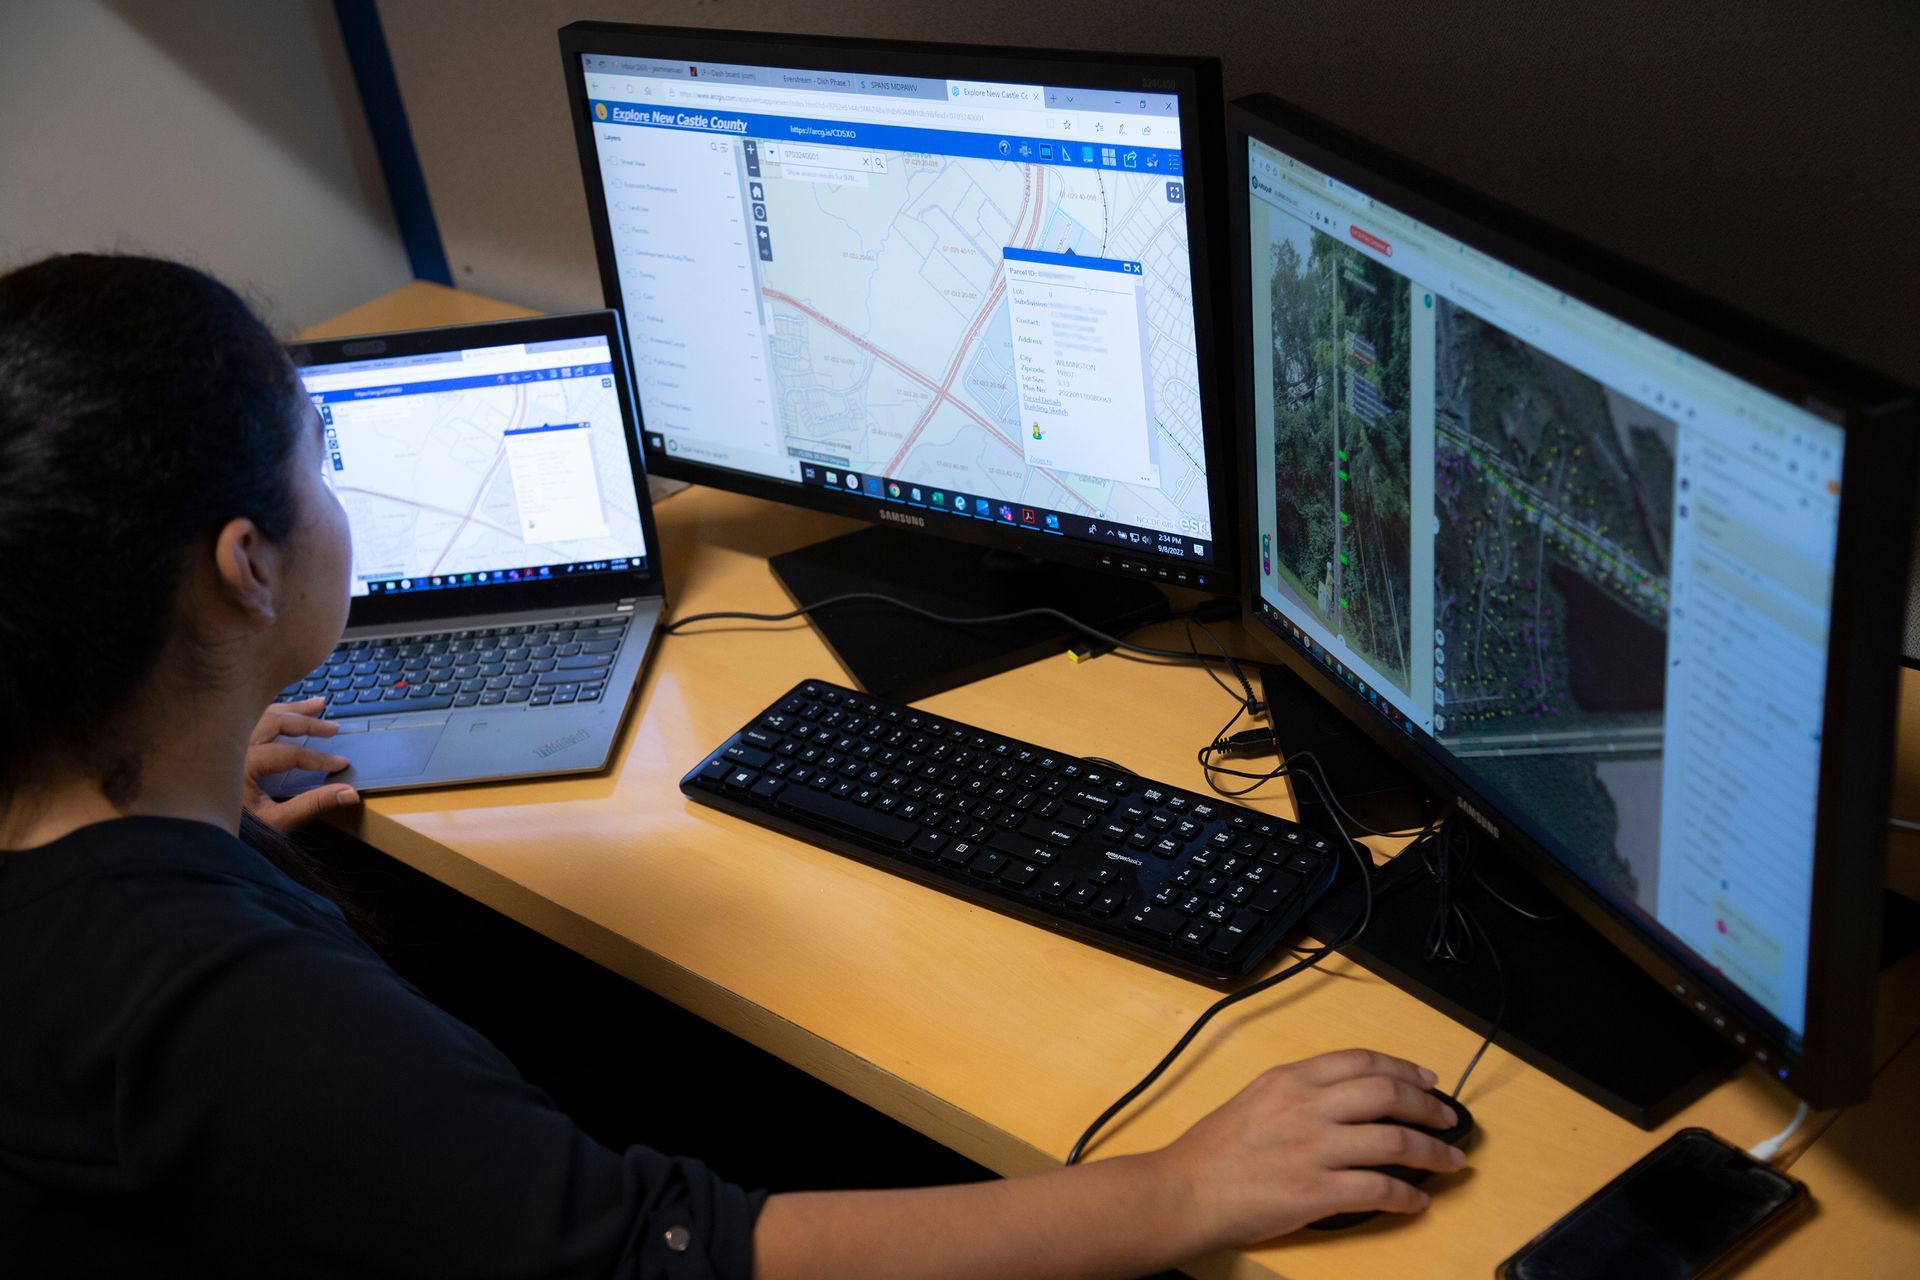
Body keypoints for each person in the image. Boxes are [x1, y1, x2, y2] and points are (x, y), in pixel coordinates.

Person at [0, 255, 1467, 1279]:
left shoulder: (78, 844)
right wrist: (1178, 1189)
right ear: (244, 568)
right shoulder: (220, 1014)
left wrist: (209, 803)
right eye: (321, 464)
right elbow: (662, 1251)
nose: (338, 497)